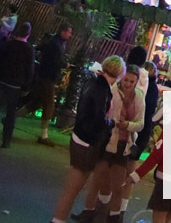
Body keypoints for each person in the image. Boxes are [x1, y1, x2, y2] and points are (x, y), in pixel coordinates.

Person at [49, 55, 126, 223]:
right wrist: (111, 123)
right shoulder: (102, 89)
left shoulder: (92, 81)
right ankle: (58, 219)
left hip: (80, 137)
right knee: (73, 188)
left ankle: (58, 219)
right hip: (87, 142)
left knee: (72, 188)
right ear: (119, 74)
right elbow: (98, 118)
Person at [78, 63, 144, 223]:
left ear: (136, 82)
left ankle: (114, 216)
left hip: (124, 145)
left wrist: (127, 125)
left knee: (118, 185)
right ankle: (88, 212)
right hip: (107, 141)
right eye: (126, 80)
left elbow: (141, 123)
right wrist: (116, 123)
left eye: (131, 81)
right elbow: (104, 116)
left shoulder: (139, 96)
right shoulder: (113, 91)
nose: (128, 84)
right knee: (97, 179)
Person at [0, 19, 34, 147]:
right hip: (15, 84)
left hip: (2, 80)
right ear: (28, 34)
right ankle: (6, 140)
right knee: (10, 113)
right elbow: (30, 69)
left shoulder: (8, 44)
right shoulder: (29, 49)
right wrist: (26, 86)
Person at [21, 21, 73, 144]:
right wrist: (65, 64)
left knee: (36, 103)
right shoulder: (56, 44)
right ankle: (43, 135)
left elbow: (41, 49)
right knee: (49, 104)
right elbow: (54, 61)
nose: (70, 35)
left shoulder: (54, 42)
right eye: (69, 33)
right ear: (63, 32)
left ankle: (10, 118)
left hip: (44, 76)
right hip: (48, 77)